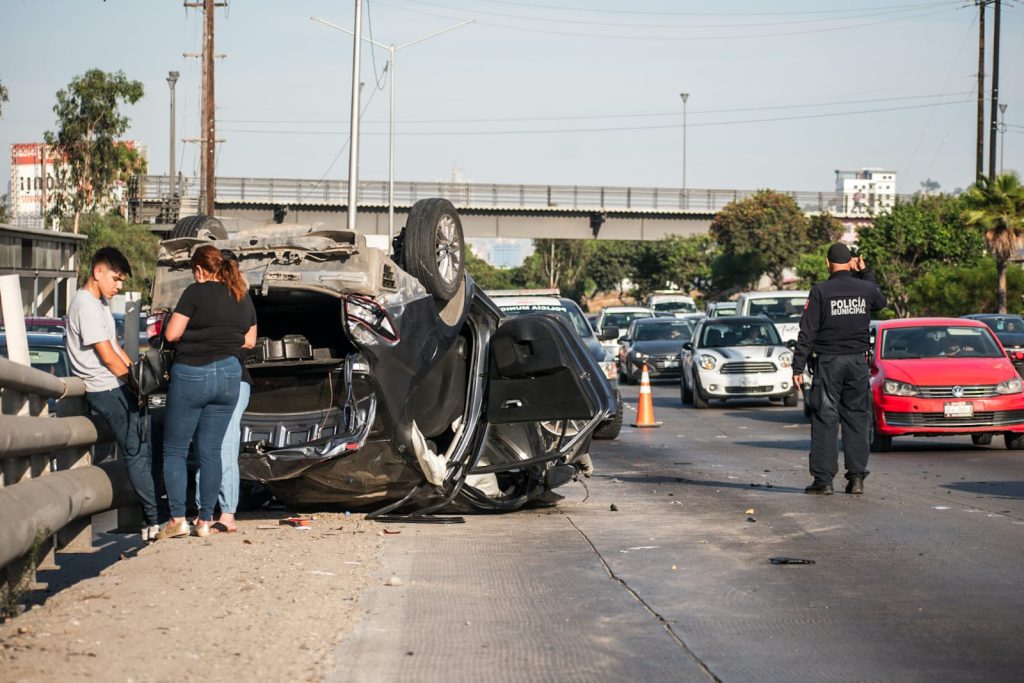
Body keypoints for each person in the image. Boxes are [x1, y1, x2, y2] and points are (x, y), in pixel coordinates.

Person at [156, 245, 257, 539]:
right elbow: (250, 340)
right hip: (229, 375)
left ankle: (177, 520)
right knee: (211, 451)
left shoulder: (194, 292)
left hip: (192, 373)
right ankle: (204, 521)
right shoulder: (240, 293)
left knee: (175, 449)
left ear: (199, 270)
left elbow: (172, 334)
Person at [66, 247, 161, 540]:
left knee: (144, 446)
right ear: (98, 272)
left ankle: (151, 517)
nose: (119, 286)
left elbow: (117, 347)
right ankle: (152, 519)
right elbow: (106, 356)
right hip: (103, 388)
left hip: (117, 385)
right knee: (134, 449)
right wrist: (133, 383)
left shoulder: (101, 304)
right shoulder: (85, 304)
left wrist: (136, 375)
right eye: (116, 279)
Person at [792, 243, 886, 495]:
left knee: (825, 418)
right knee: (857, 417)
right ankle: (856, 479)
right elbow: (881, 301)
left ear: (827, 262)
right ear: (851, 262)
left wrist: (797, 366)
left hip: (828, 362)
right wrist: (866, 273)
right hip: (857, 362)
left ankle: (823, 482)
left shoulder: (821, 291)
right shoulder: (865, 288)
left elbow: (807, 330)